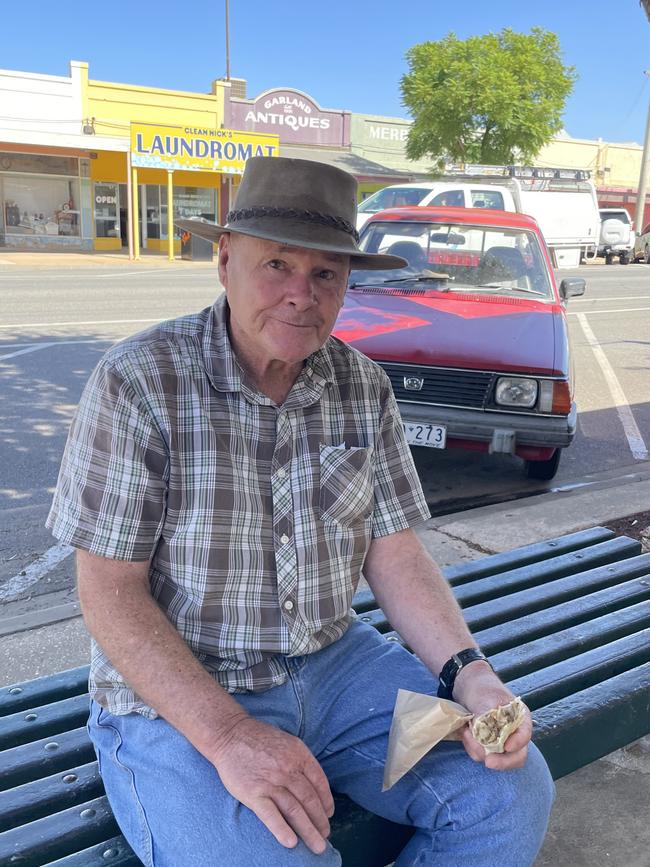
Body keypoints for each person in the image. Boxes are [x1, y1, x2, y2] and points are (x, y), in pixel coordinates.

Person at [46, 156, 554, 867]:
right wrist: (229, 737)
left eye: (325, 273)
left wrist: (471, 675)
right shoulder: (140, 381)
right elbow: (107, 592)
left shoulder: (361, 384)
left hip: (338, 667)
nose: (300, 296)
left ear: (348, 282)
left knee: (511, 793)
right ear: (224, 262)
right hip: (182, 689)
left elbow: (395, 552)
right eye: (277, 264)